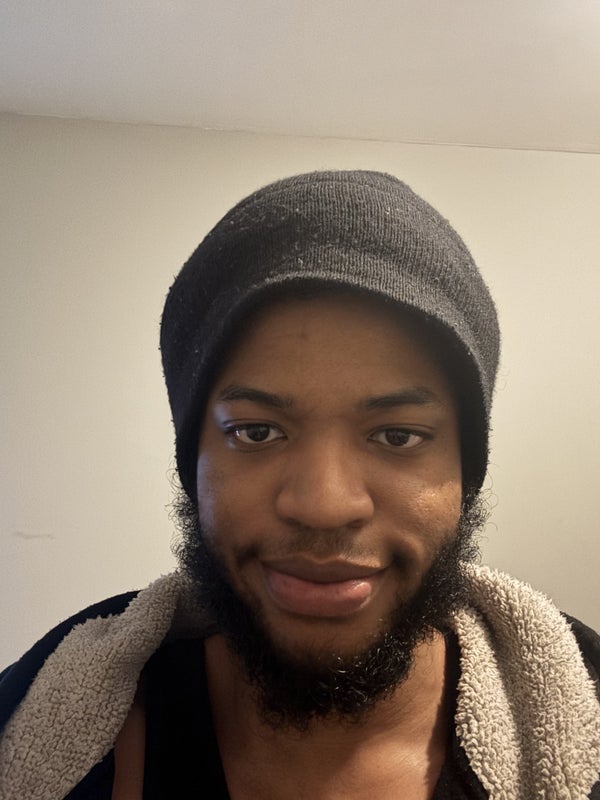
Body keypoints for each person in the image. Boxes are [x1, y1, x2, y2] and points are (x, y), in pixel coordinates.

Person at [0, 170, 598, 799]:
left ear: (465, 472)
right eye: (257, 432)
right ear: (192, 460)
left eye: (398, 436)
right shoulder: (44, 722)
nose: (324, 505)